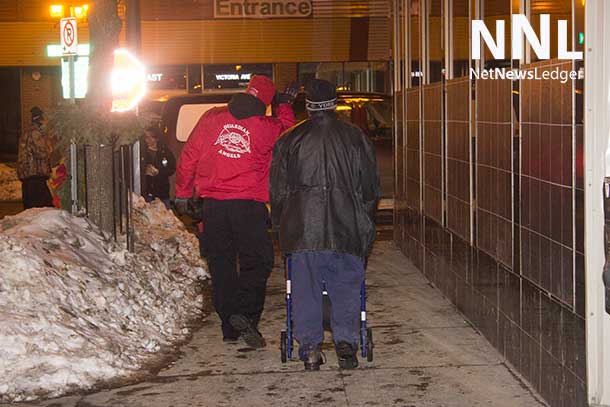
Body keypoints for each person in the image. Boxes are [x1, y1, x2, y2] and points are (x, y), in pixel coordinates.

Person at [175, 75, 297, 348]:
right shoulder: (266, 127)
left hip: (213, 207)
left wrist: (183, 193)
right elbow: (288, 134)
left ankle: (230, 326)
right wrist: (285, 106)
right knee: (259, 261)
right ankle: (245, 314)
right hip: (248, 207)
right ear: (266, 102)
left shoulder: (212, 118)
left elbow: (188, 157)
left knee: (222, 265)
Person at [270, 79, 380, 371]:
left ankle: (309, 349)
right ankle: (346, 343)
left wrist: (281, 225)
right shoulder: (356, 138)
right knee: (346, 286)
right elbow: (370, 189)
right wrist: (364, 222)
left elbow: (278, 191)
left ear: (307, 105)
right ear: (334, 103)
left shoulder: (289, 140)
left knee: (304, 289)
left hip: (303, 229)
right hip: (347, 227)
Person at [17, 106, 54, 209]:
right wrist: (49, 145)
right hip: (35, 176)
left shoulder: (28, 131)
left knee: (31, 210)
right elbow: (43, 152)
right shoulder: (35, 132)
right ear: (40, 120)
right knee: (43, 209)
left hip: (29, 175)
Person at [141, 126, 176, 209]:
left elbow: (172, 168)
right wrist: (144, 171)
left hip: (162, 192)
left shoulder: (164, 151)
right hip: (147, 193)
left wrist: (159, 171)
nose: (148, 140)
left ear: (156, 138)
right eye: (146, 137)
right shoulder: (141, 152)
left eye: (151, 137)